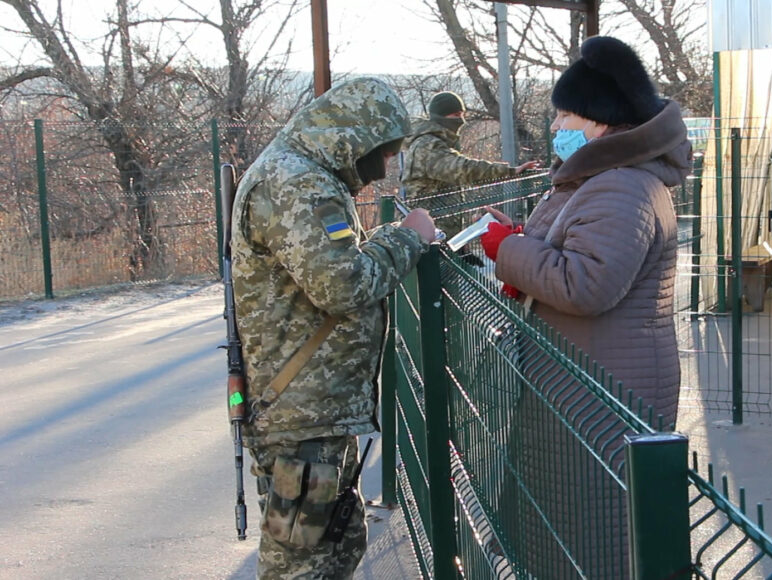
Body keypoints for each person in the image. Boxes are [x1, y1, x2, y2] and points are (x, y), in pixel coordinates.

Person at [480, 35, 691, 578]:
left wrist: (508, 249)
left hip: (602, 388)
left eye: (566, 114)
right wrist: (519, 253)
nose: (556, 128)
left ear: (600, 120)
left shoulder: (621, 187)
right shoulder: (603, 178)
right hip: (587, 380)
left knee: (592, 531)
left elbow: (588, 284)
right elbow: (568, 254)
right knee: (573, 521)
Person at [229, 78, 436, 579]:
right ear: (353, 138)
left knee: (335, 547)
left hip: (316, 412)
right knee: (301, 563)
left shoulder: (304, 173)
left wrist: (389, 237)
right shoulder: (295, 182)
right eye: (381, 153)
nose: (383, 168)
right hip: (301, 417)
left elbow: (335, 262)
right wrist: (407, 241)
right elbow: (342, 284)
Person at [400, 91, 538, 237]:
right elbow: (463, 169)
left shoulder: (439, 143)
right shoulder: (428, 146)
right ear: (440, 116)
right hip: (427, 234)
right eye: (456, 115)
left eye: (462, 114)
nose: (461, 121)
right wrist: (508, 171)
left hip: (437, 231)